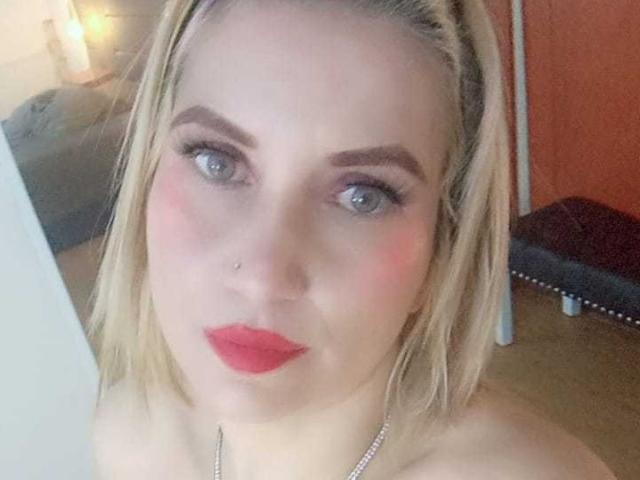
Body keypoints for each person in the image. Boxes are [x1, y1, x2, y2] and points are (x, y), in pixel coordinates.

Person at [88, 0, 617, 478]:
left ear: (443, 249)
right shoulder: (130, 439)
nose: (265, 277)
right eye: (217, 162)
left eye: (363, 196)